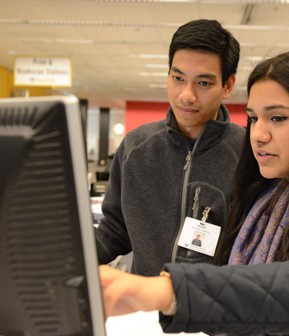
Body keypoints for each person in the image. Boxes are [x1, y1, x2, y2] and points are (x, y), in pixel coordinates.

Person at [99, 49, 289, 335]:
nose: (258, 134)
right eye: (254, 118)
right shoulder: (265, 198)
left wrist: (163, 291)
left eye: (278, 118)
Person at [95, 19, 244, 276]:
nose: (186, 94)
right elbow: (115, 230)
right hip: (144, 305)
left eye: (204, 83)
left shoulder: (247, 154)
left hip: (215, 309)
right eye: (178, 78)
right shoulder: (136, 147)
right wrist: (63, 259)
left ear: (227, 86)